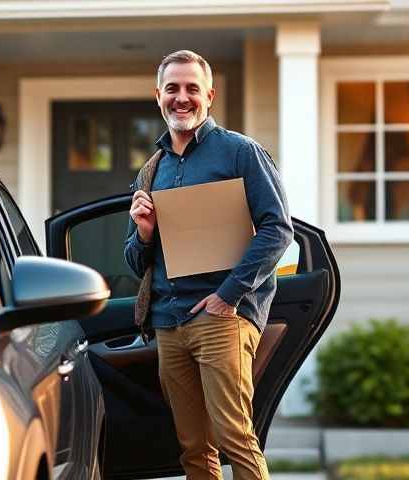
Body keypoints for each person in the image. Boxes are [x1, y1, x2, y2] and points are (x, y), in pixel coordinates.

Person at [124, 50, 293, 480]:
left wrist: (227, 296)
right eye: (172, 89)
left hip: (222, 316)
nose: (182, 98)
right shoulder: (152, 170)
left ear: (209, 95)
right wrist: (144, 232)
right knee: (192, 449)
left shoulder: (240, 152)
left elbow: (277, 230)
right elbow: (134, 260)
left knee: (234, 439)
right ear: (158, 95)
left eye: (192, 89)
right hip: (167, 319)